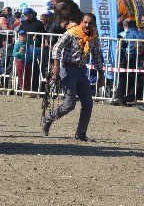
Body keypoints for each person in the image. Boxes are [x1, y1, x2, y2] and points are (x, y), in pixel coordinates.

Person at [42, 13, 103, 142]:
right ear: (81, 22)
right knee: (69, 104)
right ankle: (49, 118)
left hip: (81, 70)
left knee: (88, 103)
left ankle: (81, 133)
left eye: (90, 23)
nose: (87, 25)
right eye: (85, 22)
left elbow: (97, 57)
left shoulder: (94, 38)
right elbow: (56, 48)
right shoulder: (71, 33)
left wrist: (101, 74)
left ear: (94, 25)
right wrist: (56, 66)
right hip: (67, 68)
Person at [110, 19, 144, 106]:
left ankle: (120, 97)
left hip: (126, 57)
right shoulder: (140, 33)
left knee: (123, 77)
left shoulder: (123, 34)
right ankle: (129, 97)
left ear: (125, 25)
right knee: (135, 78)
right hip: (138, 58)